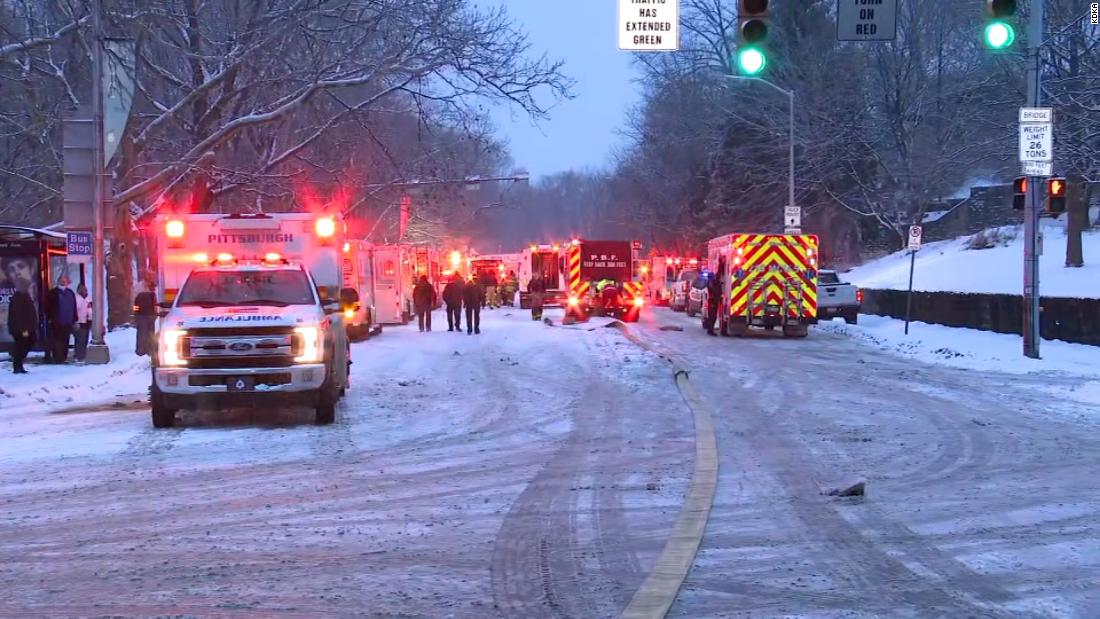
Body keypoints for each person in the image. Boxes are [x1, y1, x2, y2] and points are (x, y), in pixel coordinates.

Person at [46, 274, 77, 363]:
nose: (64, 282)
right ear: (58, 281)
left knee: (65, 340)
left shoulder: (70, 293)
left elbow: (74, 307)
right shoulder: (53, 293)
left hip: (68, 322)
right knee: (57, 341)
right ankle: (58, 358)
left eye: (65, 281)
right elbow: (47, 307)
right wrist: (50, 318)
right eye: (62, 281)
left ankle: (63, 357)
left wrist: (74, 319)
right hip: (56, 323)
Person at [7, 287, 37, 374]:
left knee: (28, 343)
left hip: (27, 327)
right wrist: (24, 329)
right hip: (21, 329)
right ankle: (17, 366)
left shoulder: (25, 296)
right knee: (22, 345)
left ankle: (19, 364)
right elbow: (18, 314)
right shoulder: (19, 297)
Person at [134, 280, 158, 356]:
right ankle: (143, 350)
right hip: (143, 314)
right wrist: (136, 313)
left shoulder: (152, 289)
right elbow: (135, 302)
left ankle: (148, 350)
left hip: (147, 314)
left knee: (148, 332)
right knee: (144, 332)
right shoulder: (139, 288)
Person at [73, 283, 92, 364]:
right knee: (79, 339)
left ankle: (83, 355)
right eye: (82, 289)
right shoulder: (75, 298)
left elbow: (91, 309)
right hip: (79, 321)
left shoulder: (88, 298)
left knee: (85, 339)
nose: (84, 291)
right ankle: (78, 355)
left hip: (87, 321)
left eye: (85, 289)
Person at [703, 272, 722, 336]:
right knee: (712, 316)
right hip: (712, 301)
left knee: (712, 316)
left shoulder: (710, 282)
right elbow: (715, 291)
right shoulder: (711, 283)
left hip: (712, 301)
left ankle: (710, 330)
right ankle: (710, 330)